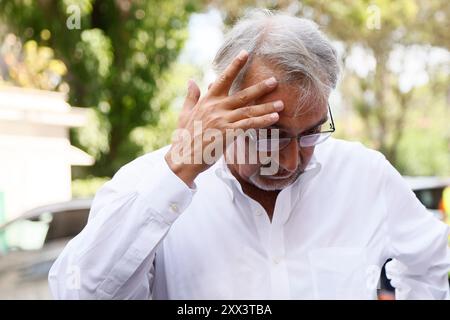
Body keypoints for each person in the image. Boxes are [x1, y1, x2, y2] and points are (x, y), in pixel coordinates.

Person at [48, 9, 450, 299]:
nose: (291, 161)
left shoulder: (364, 175)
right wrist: (180, 170)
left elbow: (435, 266)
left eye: (310, 134)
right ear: (220, 104)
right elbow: (78, 293)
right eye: (271, 135)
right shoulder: (149, 183)